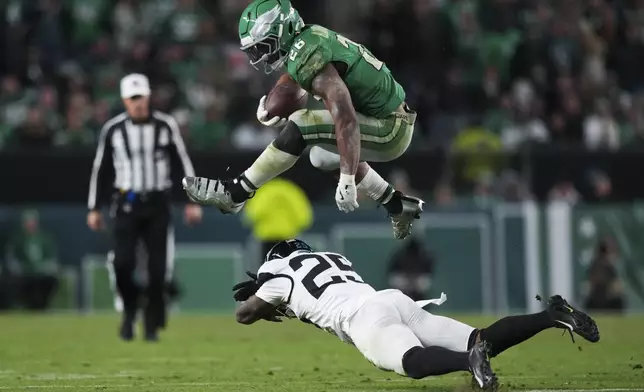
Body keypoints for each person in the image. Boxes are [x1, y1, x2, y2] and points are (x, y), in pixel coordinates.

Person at [183, 0, 423, 240]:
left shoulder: (307, 51)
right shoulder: (306, 40)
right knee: (320, 155)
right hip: (380, 116)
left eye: (264, 47)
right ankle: (398, 205)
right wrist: (273, 107)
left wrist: (348, 177)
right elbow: (304, 81)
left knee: (302, 123)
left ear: (283, 30)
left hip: (391, 127)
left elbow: (345, 115)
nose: (262, 57)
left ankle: (235, 192)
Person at [232, 239, 600, 389]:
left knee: (411, 362)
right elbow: (313, 296)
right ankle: (551, 315)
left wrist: (262, 297)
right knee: (480, 337)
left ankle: (468, 362)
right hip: (392, 300)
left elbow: (244, 316)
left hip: (364, 318)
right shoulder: (333, 258)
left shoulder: (278, 276)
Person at [87, 73, 203, 342]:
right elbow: (101, 170)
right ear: (125, 101)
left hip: (157, 203)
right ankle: (129, 311)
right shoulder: (113, 130)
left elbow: (181, 163)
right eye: (133, 98)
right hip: (126, 202)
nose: (139, 103)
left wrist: (191, 200)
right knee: (122, 264)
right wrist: (94, 207)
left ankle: (150, 325)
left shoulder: (165, 125)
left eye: (142, 97)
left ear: (149, 97)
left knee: (158, 270)